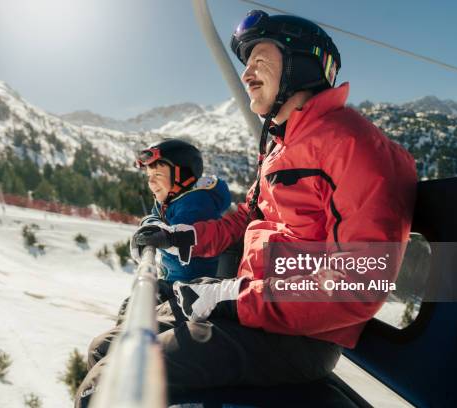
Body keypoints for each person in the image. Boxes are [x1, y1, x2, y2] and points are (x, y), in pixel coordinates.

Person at [75, 10, 417, 407]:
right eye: (246, 63)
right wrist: (183, 236)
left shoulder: (355, 145)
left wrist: (234, 300)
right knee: (105, 348)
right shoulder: (282, 147)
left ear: (301, 64)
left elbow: (359, 282)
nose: (246, 73)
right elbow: (244, 218)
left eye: (260, 60)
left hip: (297, 338)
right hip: (252, 310)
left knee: (110, 382)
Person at [131, 138, 231, 282]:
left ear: (182, 176)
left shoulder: (195, 203)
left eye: (158, 175)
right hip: (176, 280)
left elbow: (178, 249)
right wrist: (150, 224)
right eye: (149, 176)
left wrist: (156, 236)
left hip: (194, 286)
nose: (151, 182)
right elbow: (155, 216)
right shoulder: (169, 200)